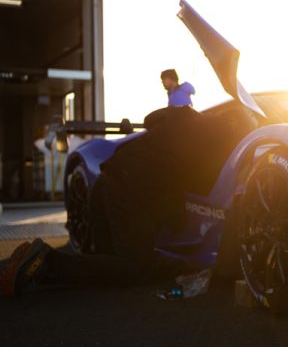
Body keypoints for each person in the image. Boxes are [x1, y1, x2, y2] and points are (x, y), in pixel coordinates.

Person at [0, 103, 259, 298]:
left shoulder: (185, 114)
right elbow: (211, 188)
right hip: (131, 189)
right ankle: (45, 261)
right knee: (135, 268)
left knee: (106, 266)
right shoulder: (223, 144)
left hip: (109, 178)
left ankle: (33, 264)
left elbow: (151, 119)